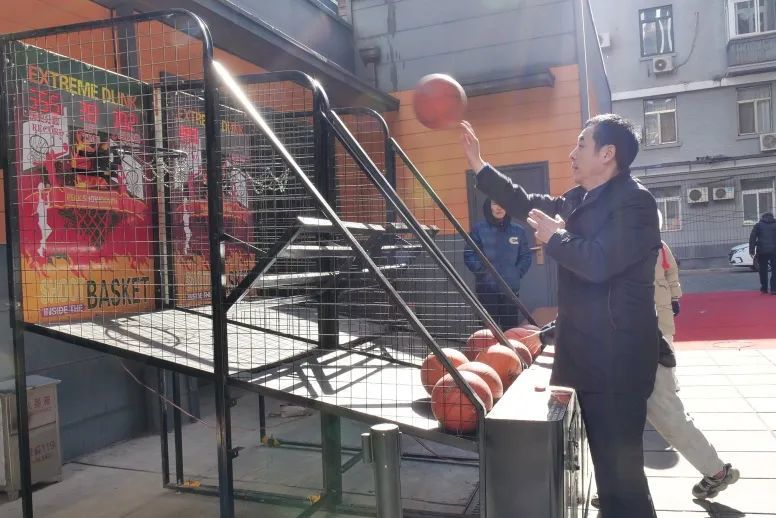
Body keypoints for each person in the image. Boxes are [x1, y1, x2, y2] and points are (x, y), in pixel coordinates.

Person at [461, 114, 660, 517]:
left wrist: (556, 236)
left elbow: (600, 262)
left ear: (607, 154)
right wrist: (480, 166)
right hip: (590, 355)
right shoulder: (578, 199)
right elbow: (525, 203)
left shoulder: (635, 202)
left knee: (622, 478)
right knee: (608, 472)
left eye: (582, 144)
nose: (572, 153)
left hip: (617, 361)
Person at [585, 237, 740, 508]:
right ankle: (616, 488)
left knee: (663, 415)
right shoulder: (627, 240)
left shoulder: (628, 243)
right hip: (634, 345)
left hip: (644, 346)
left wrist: (673, 297)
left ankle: (716, 472)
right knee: (625, 421)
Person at [464, 199, 532, 329]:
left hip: (510, 289)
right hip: (486, 290)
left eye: (502, 203)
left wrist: (515, 274)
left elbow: (526, 256)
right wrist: (484, 273)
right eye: (495, 203)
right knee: (488, 331)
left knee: (510, 330)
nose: (499, 208)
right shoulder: (478, 229)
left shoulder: (518, 231)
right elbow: (469, 254)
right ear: (489, 207)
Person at [749, 212, 776, 294]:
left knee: (763, 270)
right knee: (775, 270)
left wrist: (751, 250)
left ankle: (764, 288)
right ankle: (774, 289)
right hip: (774, 251)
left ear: (762, 217)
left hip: (762, 251)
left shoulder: (758, 225)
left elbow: (752, 238)